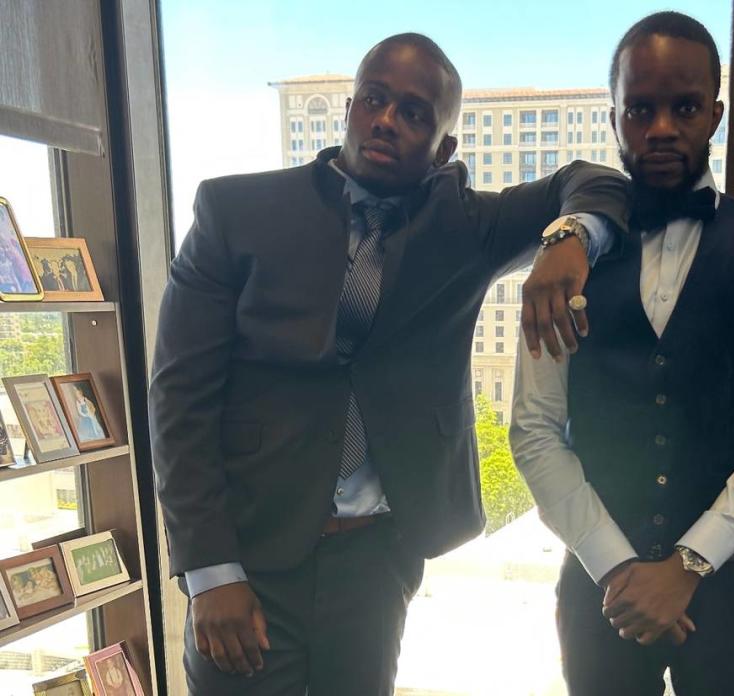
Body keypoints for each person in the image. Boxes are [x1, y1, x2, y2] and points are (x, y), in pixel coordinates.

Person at [149, 32, 628, 695]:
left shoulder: (465, 226)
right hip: (251, 552)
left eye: (415, 113)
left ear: (444, 148)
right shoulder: (236, 212)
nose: (386, 121)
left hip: (376, 558)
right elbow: (178, 399)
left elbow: (595, 180)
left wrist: (569, 236)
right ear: (349, 106)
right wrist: (210, 571)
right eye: (374, 99)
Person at [510, 12, 734, 696]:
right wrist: (617, 566)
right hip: (601, 589)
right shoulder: (566, 261)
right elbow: (534, 431)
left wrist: (686, 565)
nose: (660, 128)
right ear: (616, 116)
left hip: (730, 583)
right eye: (640, 108)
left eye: (683, 107)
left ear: (715, 113)